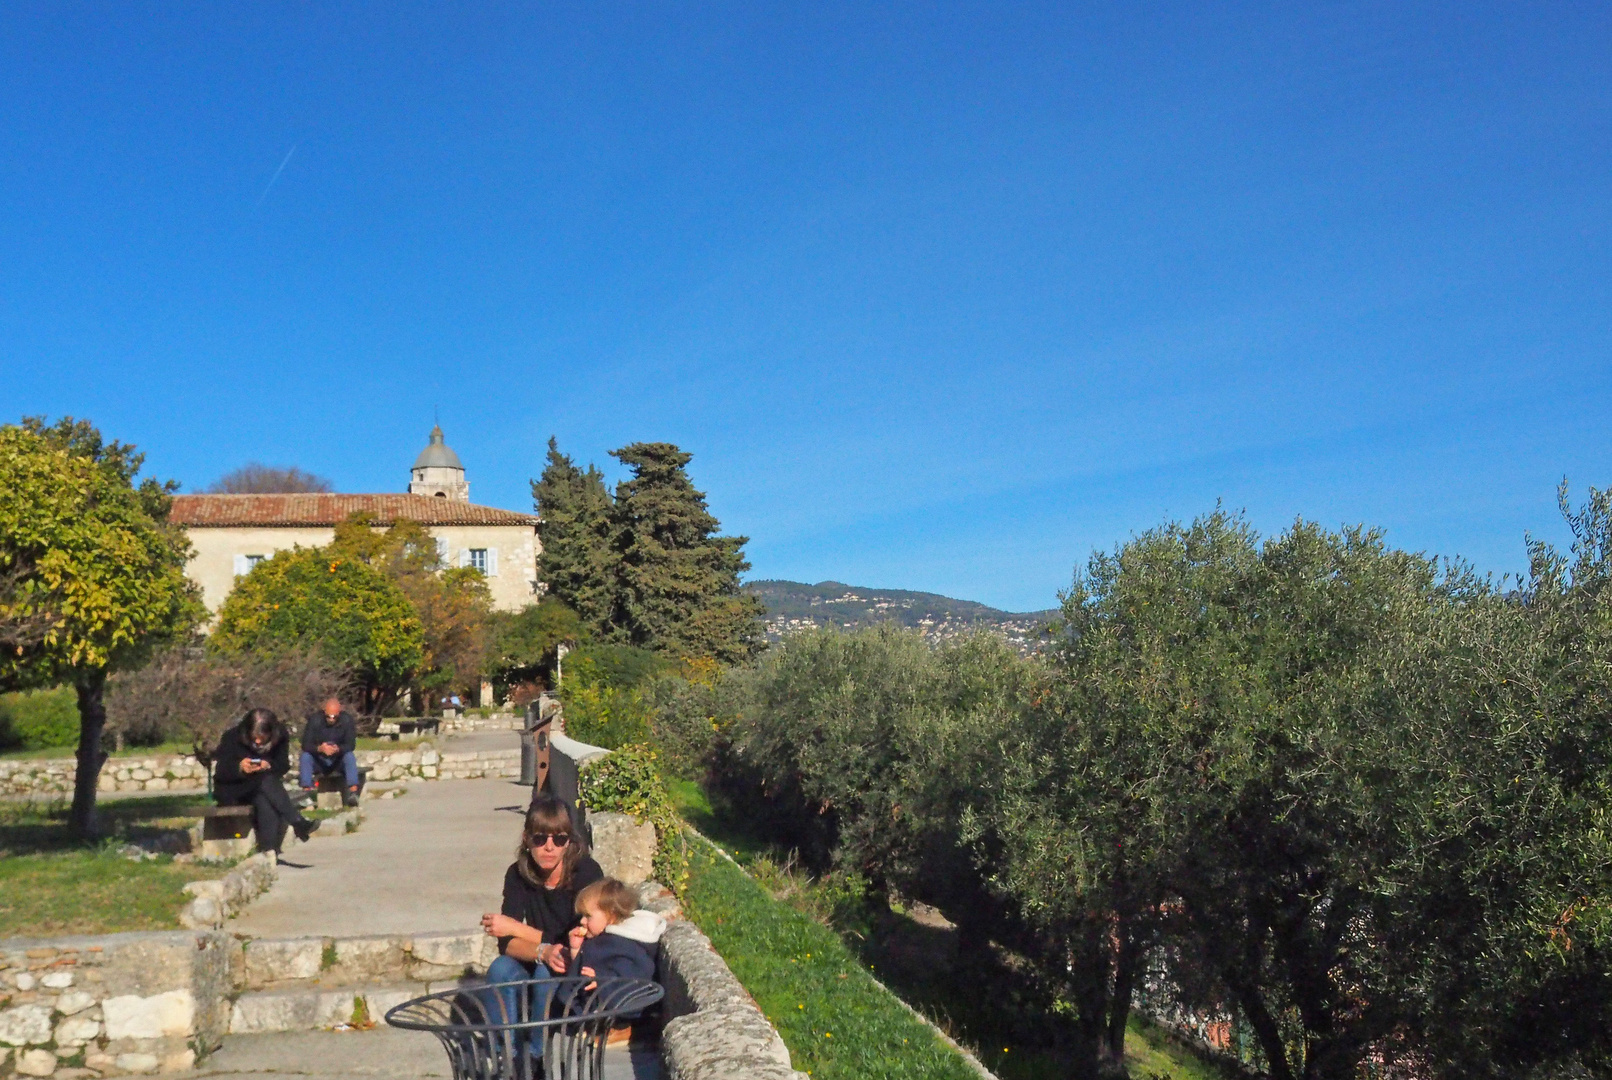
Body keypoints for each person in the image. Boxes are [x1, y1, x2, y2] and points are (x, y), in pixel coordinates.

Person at [479, 796, 603, 1030]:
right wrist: (542, 951)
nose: (549, 847)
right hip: (544, 956)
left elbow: (578, 938)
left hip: (579, 963)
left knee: (544, 973)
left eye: (558, 838)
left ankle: (537, 1056)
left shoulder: (586, 873)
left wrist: (517, 928)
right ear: (526, 840)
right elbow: (506, 944)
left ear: (568, 842)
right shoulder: (517, 874)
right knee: (501, 969)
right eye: (540, 838)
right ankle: (505, 1052)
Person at [213, 708, 318, 854]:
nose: (257, 741)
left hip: (261, 788)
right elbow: (221, 772)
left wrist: (268, 765)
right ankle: (296, 822)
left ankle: (267, 852)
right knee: (265, 782)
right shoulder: (232, 737)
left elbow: (282, 765)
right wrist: (240, 767)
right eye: (254, 737)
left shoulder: (280, 736)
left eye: (262, 737)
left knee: (265, 799)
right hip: (235, 787)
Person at [566, 877, 665, 991]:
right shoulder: (602, 939)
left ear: (611, 915)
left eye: (588, 916)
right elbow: (583, 969)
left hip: (611, 1006)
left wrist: (602, 981)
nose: (582, 921)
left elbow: (630, 980)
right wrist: (576, 949)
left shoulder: (624, 946)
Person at [300, 696, 360, 806]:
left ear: (339, 713)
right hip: (319, 759)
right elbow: (305, 744)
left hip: (337, 760)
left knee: (349, 756)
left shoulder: (347, 720)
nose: (331, 719)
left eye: (334, 717)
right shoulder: (314, 720)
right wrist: (320, 748)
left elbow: (351, 745)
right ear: (324, 712)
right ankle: (306, 794)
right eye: (328, 717)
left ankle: (353, 793)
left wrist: (338, 749)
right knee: (306, 757)